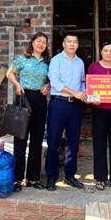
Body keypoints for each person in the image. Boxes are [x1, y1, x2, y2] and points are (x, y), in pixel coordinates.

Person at [5, 32, 51, 191]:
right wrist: (17, 85)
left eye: (44, 42)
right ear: (32, 42)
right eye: (38, 41)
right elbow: (9, 73)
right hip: (23, 98)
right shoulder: (22, 59)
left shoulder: (47, 62)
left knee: (37, 140)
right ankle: (17, 179)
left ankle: (33, 178)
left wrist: (48, 85)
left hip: (40, 100)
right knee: (20, 139)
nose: (41, 44)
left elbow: (52, 79)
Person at [44, 32, 87, 191]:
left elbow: (82, 82)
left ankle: (70, 176)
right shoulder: (56, 60)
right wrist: (75, 93)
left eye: (75, 42)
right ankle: (51, 176)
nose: (72, 44)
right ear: (63, 44)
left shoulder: (80, 62)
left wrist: (84, 93)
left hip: (75, 106)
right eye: (69, 41)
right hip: (58, 104)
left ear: (78, 45)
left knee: (73, 141)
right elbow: (55, 82)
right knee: (53, 141)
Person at [88, 41, 111, 192]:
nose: (108, 53)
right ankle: (100, 178)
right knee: (99, 144)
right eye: (106, 50)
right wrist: (93, 99)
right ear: (101, 52)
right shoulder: (93, 67)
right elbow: (89, 89)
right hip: (98, 111)